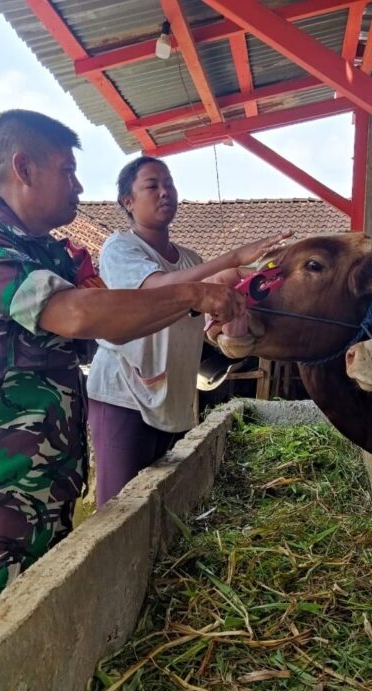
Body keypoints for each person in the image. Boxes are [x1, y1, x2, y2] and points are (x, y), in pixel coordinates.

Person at [0, 109, 244, 647]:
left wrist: (203, 299)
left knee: (35, 630)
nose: (77, 186)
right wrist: (194, 293)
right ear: (23, 167)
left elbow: (118, 318)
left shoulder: (51, 253)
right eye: (67, 170)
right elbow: (77, 315)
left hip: (49, 485)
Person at [86, 156, 290, 507]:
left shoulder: (191, 260)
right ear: (128, 202)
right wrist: (231, 258)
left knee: (165, 502)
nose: (165, 192)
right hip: (125, 394)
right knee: (119, 509)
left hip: (174, 399)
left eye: (169, 184)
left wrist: (235, 328)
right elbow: (158, 290)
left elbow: (209, 328)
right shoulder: (120, 248)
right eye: (152, 186)